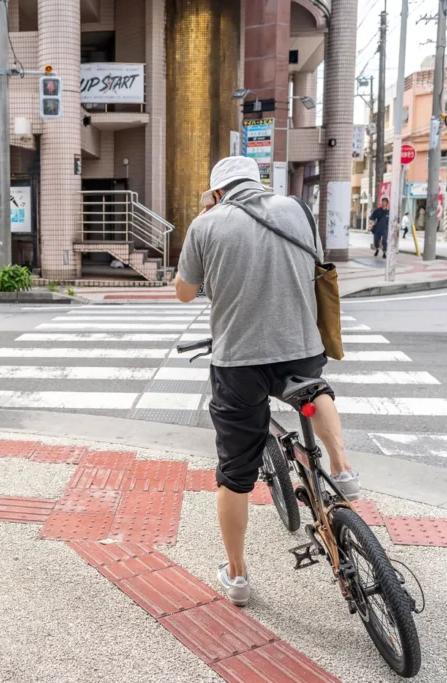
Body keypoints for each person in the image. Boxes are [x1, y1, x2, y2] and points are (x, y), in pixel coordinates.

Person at [173, 156, 359, 607]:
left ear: (217, 192)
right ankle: (342, 467)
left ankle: (237, 577)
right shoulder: (295, 209)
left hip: (240, 365)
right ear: (257, 183)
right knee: (312, 394)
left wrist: (205, 223)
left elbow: (183, 292)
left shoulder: (208, 223)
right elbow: (314, 262)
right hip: (302, 349)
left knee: (235, 474)